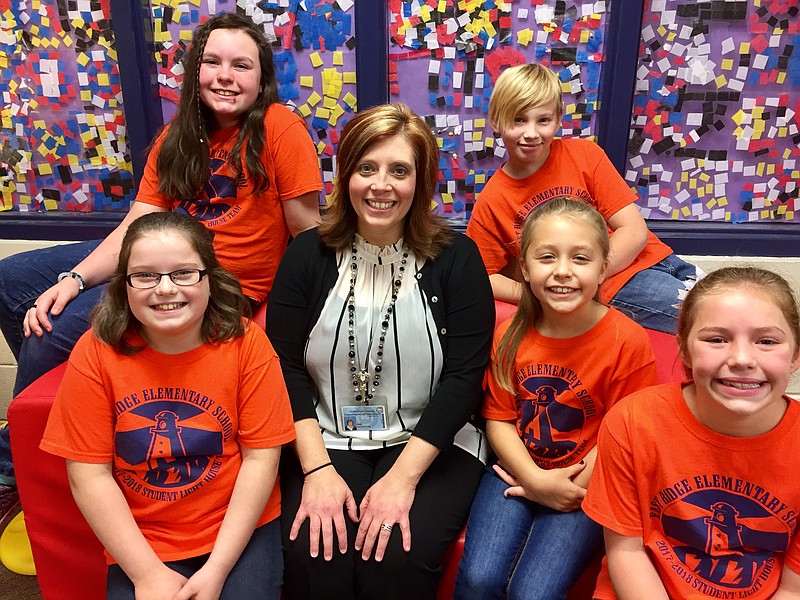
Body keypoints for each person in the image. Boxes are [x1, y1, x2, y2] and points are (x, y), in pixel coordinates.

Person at [0, 11, 322, 511]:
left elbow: (308, 234)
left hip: (215, 282)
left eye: (241, 65)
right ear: (196, 71)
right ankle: (60, 414)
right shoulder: (179, 135)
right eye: (212, 62)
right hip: (156, 253)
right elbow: (137, 224)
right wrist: (75, 277)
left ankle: (11, 473)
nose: (225, 76)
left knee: (50, 330)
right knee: (10, 280)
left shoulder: (280, 128)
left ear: (261, 80)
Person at [265, 103, 495, 600]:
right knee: (314, 554)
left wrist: (401, 480)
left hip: (432, 441)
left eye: (399, 171)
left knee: (396, 558)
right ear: (345, 175)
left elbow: (464, 377)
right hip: (325, 434)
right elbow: (282, 366)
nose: (380, 185)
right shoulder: (306, 254)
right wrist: (317, 471)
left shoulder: (458, 258)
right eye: (366, 168)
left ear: (422, 181)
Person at [40, 211, 295, 599]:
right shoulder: (95, 353)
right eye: (145, 276)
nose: (164, 289)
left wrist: (218, 570)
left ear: (210, 278)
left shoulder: (247, 345)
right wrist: (146, 574)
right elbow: (89, 476)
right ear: (123, 285)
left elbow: (261, 460)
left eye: (183, 273)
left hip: (236, 528)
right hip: (144, 536)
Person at [454, 198, 659, 599]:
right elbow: (498, 418)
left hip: (588, 483)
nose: (562, 271)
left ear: (603, 268)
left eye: (580, 259)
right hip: (515, 471)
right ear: (525, 269)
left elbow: (626, 438)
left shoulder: (627, 342)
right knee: (479, 579)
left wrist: (559, 487)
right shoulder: (509, 335)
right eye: (547, 257)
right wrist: (535, 481)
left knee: (535, 592)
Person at [583, 266, 800, 599]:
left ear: (795, 355)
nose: (742, 358)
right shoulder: (632, 422)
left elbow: (793, 587)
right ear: (683, 349)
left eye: (766, 341)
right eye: (716, 339)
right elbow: (627, 552)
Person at [466, 62, 700, 335]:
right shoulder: (494, 200)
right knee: (710, 316)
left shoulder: (585, 155)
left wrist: (589, 273)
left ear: (558, 119)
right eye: (519, 120)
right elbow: (480, 276)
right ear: (496, 121)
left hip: (655, 258)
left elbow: (634, 231)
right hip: (618, 287)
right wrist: (534, 294)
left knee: (737, 298)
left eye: (543, 120)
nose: (531, 133)